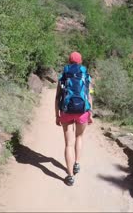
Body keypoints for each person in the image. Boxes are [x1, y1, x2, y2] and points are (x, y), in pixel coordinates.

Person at [55, 52, 93, 186]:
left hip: (66, 111)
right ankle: (76, 163)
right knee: (79, 137)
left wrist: (57, 115)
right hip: (82, 111)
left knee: (68, 144)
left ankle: (70, 176)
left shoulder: (64, 75)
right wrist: (90, 113)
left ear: (69, 61)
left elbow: (57, 97)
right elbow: (88, 94)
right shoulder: (85, 74)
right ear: (80, 61)